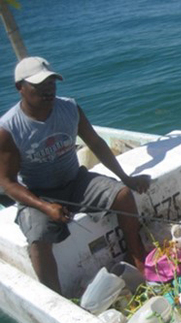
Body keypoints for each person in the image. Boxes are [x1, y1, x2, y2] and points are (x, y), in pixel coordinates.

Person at [0, 56, 151, 295]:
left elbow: (96, 143)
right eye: (39, 86)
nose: (48, 91)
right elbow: (6, 183)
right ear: (20, 88)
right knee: (38, 240)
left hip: (76, 180)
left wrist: (126, 179)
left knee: (122, 195)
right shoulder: (9, 128)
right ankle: (56, 298)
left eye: (51, 84)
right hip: (38, 194)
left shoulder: (70, 108)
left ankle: (138, 258)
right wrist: (45, 207)